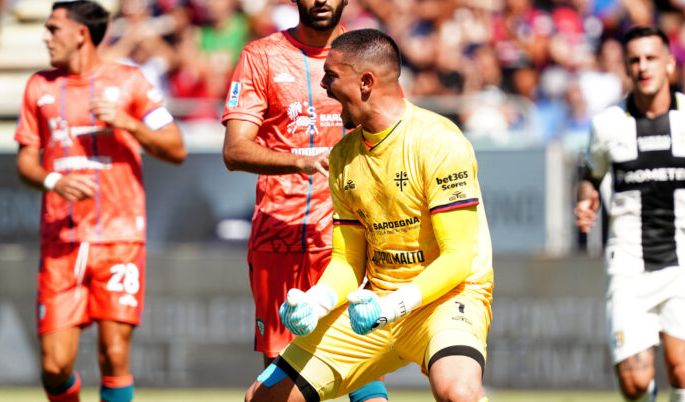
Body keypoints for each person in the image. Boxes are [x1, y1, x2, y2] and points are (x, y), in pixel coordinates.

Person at [244, 28, 494, 402]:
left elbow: (458, 259)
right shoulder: (344, 156)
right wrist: (318, 301)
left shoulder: (439, 141)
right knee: (263, 398)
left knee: (459, 393)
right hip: (376, 302)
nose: (324, 87)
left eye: (331, 76)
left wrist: (393, 305)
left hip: (445, 300)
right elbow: (348, 261)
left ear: (365, 82)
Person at [14, 2, 186, 401]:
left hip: (120, 237)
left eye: (53, 29)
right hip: (63, 240)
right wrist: (54, 179)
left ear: (80, 34)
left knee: (114, 354)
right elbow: (26, 162)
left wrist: (127, 122)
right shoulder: (40, 86)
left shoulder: (131, 82)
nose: (45, 37)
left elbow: (176, 149)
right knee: (55, 367)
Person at [221, 1, 387, 401]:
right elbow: (234, 150)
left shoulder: (367, 53)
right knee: (279, 377)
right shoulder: (260, 57)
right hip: (280, 234)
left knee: (357, 359)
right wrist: (299, 160)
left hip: (347, 236)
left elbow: (390, 132)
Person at [576, 26, 685, 402]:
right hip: (629, 264)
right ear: (626, 68)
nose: (643, 67)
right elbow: (590, 175)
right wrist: (586, 200)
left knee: (682, 364)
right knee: (635, 384)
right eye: (634, 60)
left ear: (670, 64)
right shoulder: (607, 126)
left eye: (651, 58)